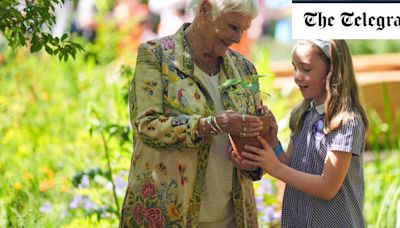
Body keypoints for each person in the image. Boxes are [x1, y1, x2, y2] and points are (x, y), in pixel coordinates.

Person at [120, 0, 266, 227]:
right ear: (205, 9)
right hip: (167, 216)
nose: (238, 39)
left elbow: (256, 145)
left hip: (231, 218)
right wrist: (209, 124)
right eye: (232, 27)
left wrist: (255, 160)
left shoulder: (245, 69)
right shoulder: (156, 56)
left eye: (243, 29)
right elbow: (146, 125)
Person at [240, 39, 369, 227]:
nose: (297, 77)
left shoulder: (345, 122)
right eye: (295, 68)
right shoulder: (303, 114)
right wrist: (273, 142)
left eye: (306, 69)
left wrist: (275, 168)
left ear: (332, 72)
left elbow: (328, 187)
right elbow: (289, 165)